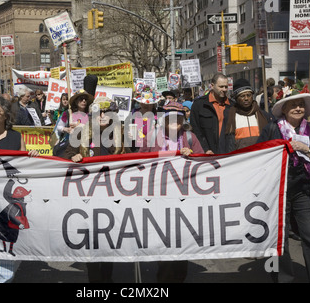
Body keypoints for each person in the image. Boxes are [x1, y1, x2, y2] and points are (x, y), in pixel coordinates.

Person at [257, 90, 310, 283]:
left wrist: (305, 148)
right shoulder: (272, 129)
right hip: (276, 192)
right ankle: (282, 279)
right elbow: (258, 157)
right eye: (293, 105)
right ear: (284, 109)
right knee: (279, 239)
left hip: (303, 191)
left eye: (301, 105)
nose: (298, 108)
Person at [0, 95, 39, 283]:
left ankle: (4, 275)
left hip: (9, 202)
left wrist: (31, 156)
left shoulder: (15, 137)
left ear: (5, 115)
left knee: (8, 245)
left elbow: (23, 169)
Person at [138, 102, 204, 283]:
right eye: (171, 118)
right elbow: (140, 163)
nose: (176, 121)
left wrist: (191, 155)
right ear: (164, 120)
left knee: (182, 239)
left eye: (179, 118)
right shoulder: (151, 138)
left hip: (184, 195)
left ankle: (179, 276)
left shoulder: (190, 137)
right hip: (160, 195)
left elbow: (202, 162)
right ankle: (165, 279)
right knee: (164, 239)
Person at [63, 96, 127, 282]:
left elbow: (135, 159)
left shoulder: (121, 134)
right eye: (99, 112)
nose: (103, 115)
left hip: (113, 194)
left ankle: (107, 278)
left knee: (108, 239)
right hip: (89, 195)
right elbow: (65, 155)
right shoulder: (81, 134)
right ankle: (94, 280)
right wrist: (73, 157)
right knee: (92, 240)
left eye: (107, 112)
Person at [190, 73, 232, 154]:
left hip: (228, 154)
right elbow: (196, 130)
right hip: (208, 154)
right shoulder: (199, 105)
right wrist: (205, 149)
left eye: (226, 87)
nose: (224, 89)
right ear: (212, 86)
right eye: (221, 86)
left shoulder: (232, 106)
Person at [225, 79, 271, 152]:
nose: (246, 98)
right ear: (236, 98)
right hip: (240, 159)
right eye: (242, 96)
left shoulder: (264, 115)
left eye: (248, 95)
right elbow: (227, 143)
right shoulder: (230, 116)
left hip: (261, 157)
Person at [126, 87, 159, 152]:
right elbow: (125, 131)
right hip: (135, 150)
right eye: (143, 103)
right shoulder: (133, 114)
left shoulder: (157, 117)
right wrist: (128, 136)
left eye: (148, 103)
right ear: (140, 103)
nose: (145, 105)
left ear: (153, 104)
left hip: (151, 151)